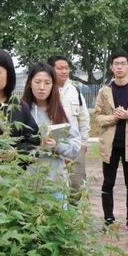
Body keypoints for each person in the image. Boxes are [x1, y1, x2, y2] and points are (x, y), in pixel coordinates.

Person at [94, 51, 128, 233]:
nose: (119, 67)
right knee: (108, 182)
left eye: (123, 63)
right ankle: (108, 219)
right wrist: (114, 118)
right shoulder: (104, 92)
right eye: (116, 64)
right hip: (110, 145)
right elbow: (98, 117)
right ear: (111, 67)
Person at [21, 62, 80, 190]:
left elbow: (75, 146)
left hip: (55, 183)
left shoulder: (62, 113)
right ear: (30, 83)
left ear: (53, 85)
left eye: (47, 83)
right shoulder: (21, 112)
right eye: (37, 82)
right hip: (25, 184)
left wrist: (57, 146)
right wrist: (34, 145)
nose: (42, 87)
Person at [48, 55, 90, 192]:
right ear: (50, 69)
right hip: (52, 148)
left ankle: (74, 206)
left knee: (77, 185)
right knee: (53, 186)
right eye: (60, 68)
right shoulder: (45, 91)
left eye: (66, 68)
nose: (64, 71)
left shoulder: (75, 91)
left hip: (74, 146)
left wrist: (84, 143)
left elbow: (84, 118)